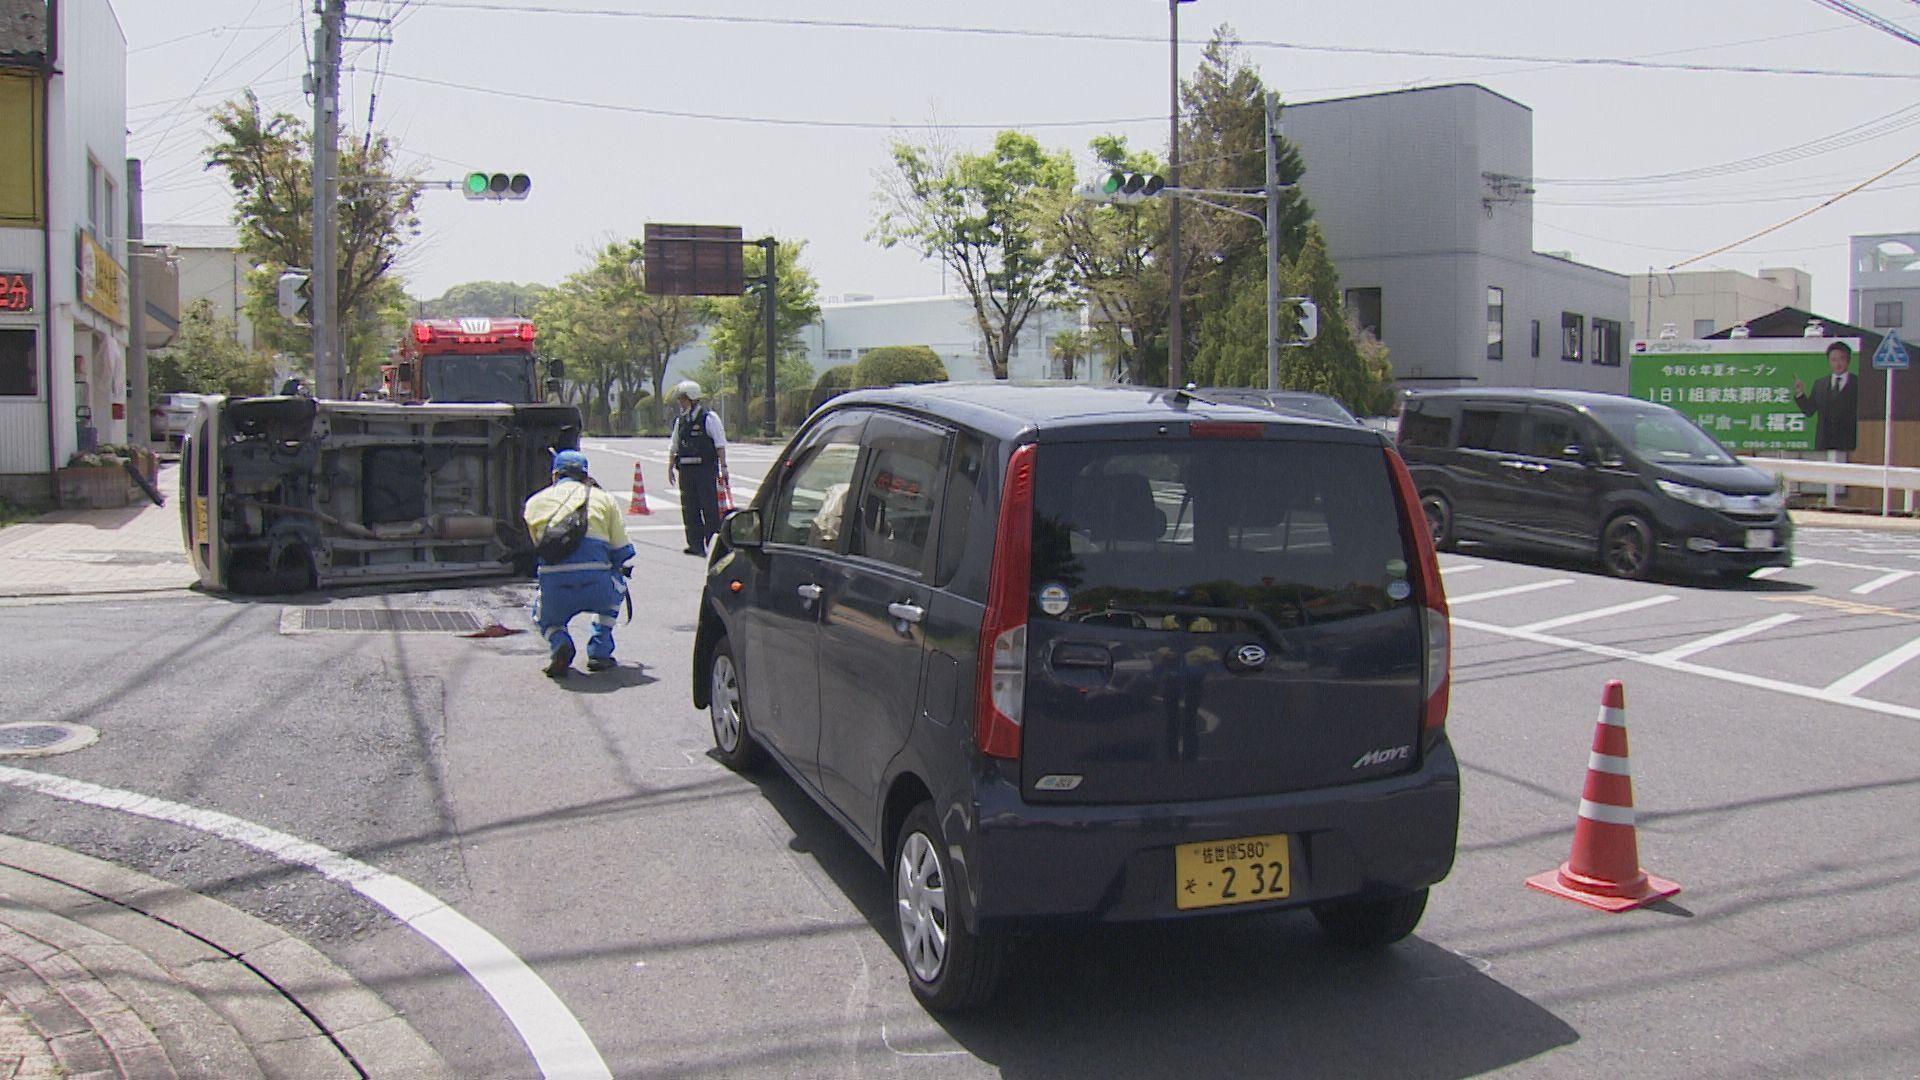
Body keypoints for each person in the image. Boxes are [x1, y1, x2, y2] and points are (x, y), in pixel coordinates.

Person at [523, 449, 634, 677]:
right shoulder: (603, 499)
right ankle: (600, 649)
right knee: (618, 586)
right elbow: (624, 551)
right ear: (585, 476)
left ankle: (559, 641)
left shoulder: (535, 502)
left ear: (555, 476)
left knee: (543, 614)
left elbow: (533, 549)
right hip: (597, 585)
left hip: (556, 587)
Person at [666, 380, 728, 555]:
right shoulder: (681, 421)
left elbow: (720, 445)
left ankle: (713, 544)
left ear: (693, 399)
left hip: (705, 470)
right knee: (689, 507)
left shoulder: (709, 418)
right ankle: (695, 544)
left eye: (683, 399)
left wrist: (724, 467)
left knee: (709, 508)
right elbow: (674, 445)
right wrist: (670, 465)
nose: (681, 403)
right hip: (686, 470)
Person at [1793, 340, 1860, 454]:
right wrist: (1800, 393)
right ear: (1829, 361)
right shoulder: (1820, 383)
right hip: (1823, 442)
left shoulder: (1858, 383)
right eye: (1833, 360)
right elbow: (1809, 411)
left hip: (1848, 444)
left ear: (1848, 360)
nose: (1837, 364)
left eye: (1841, 359)